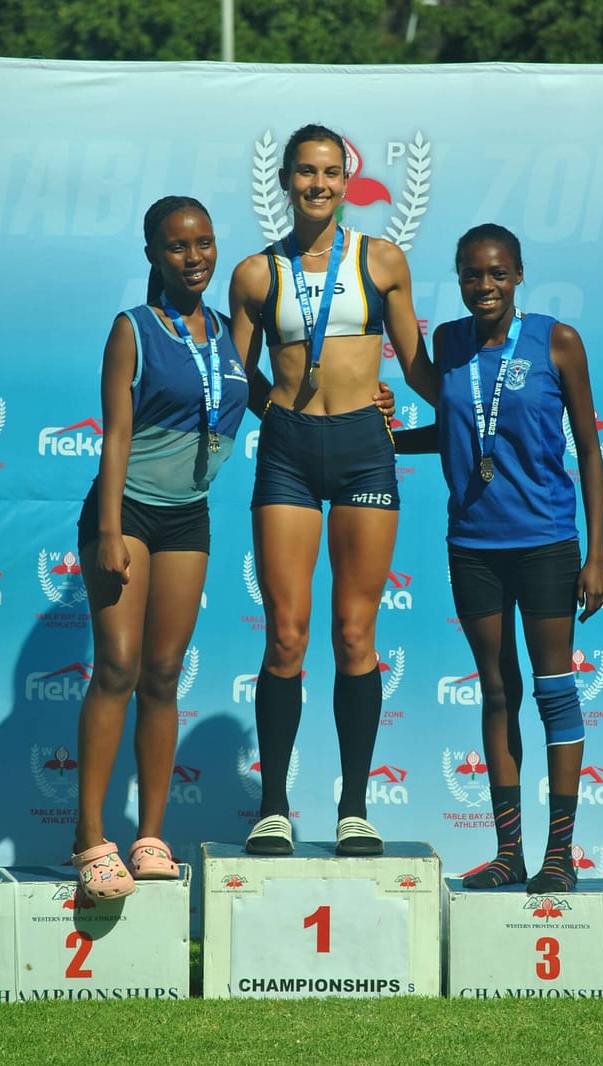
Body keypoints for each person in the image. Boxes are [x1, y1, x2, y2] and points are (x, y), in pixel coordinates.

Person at [229, 123, 436, 857]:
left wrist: (475, 413)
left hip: (363, 454)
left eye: (329, 173)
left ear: (346, 182)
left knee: (354, 634)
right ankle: (273, 808)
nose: (317, 184)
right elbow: (236, 374)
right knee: (286, 634)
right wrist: (280, 418)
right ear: (285, 180)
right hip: (288, 453)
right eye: (304, 172)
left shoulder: (381, 259)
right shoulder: (255, 274)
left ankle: (354, 809)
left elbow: (417, 367)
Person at [394, 224, 603, 893]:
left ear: (517, 276)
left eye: (495, 273)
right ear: (458, 278)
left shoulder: (556, 341)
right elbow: (457, 429)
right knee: (495, 690)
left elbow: (589, 448)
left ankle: (559, 855)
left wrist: (595, 554)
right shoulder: (448, 342)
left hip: (545, 540)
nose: (482, 285)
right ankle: (509, 853)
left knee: (552, 690)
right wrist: (387, 436)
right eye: (470, 274)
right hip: (472, 545)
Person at [71, 196, 252, 900]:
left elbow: (273, 397)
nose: (194, 256)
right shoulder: (134, 328)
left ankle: (149, 837)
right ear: (153, 254)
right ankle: (90, 837)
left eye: (203, 242)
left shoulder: (232, 332)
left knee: (163, 673)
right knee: (117, 666)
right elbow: (115, 435)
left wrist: (371, 405)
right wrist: (109, 529)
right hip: (127, 514)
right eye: (177, 246)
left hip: (188, 518)